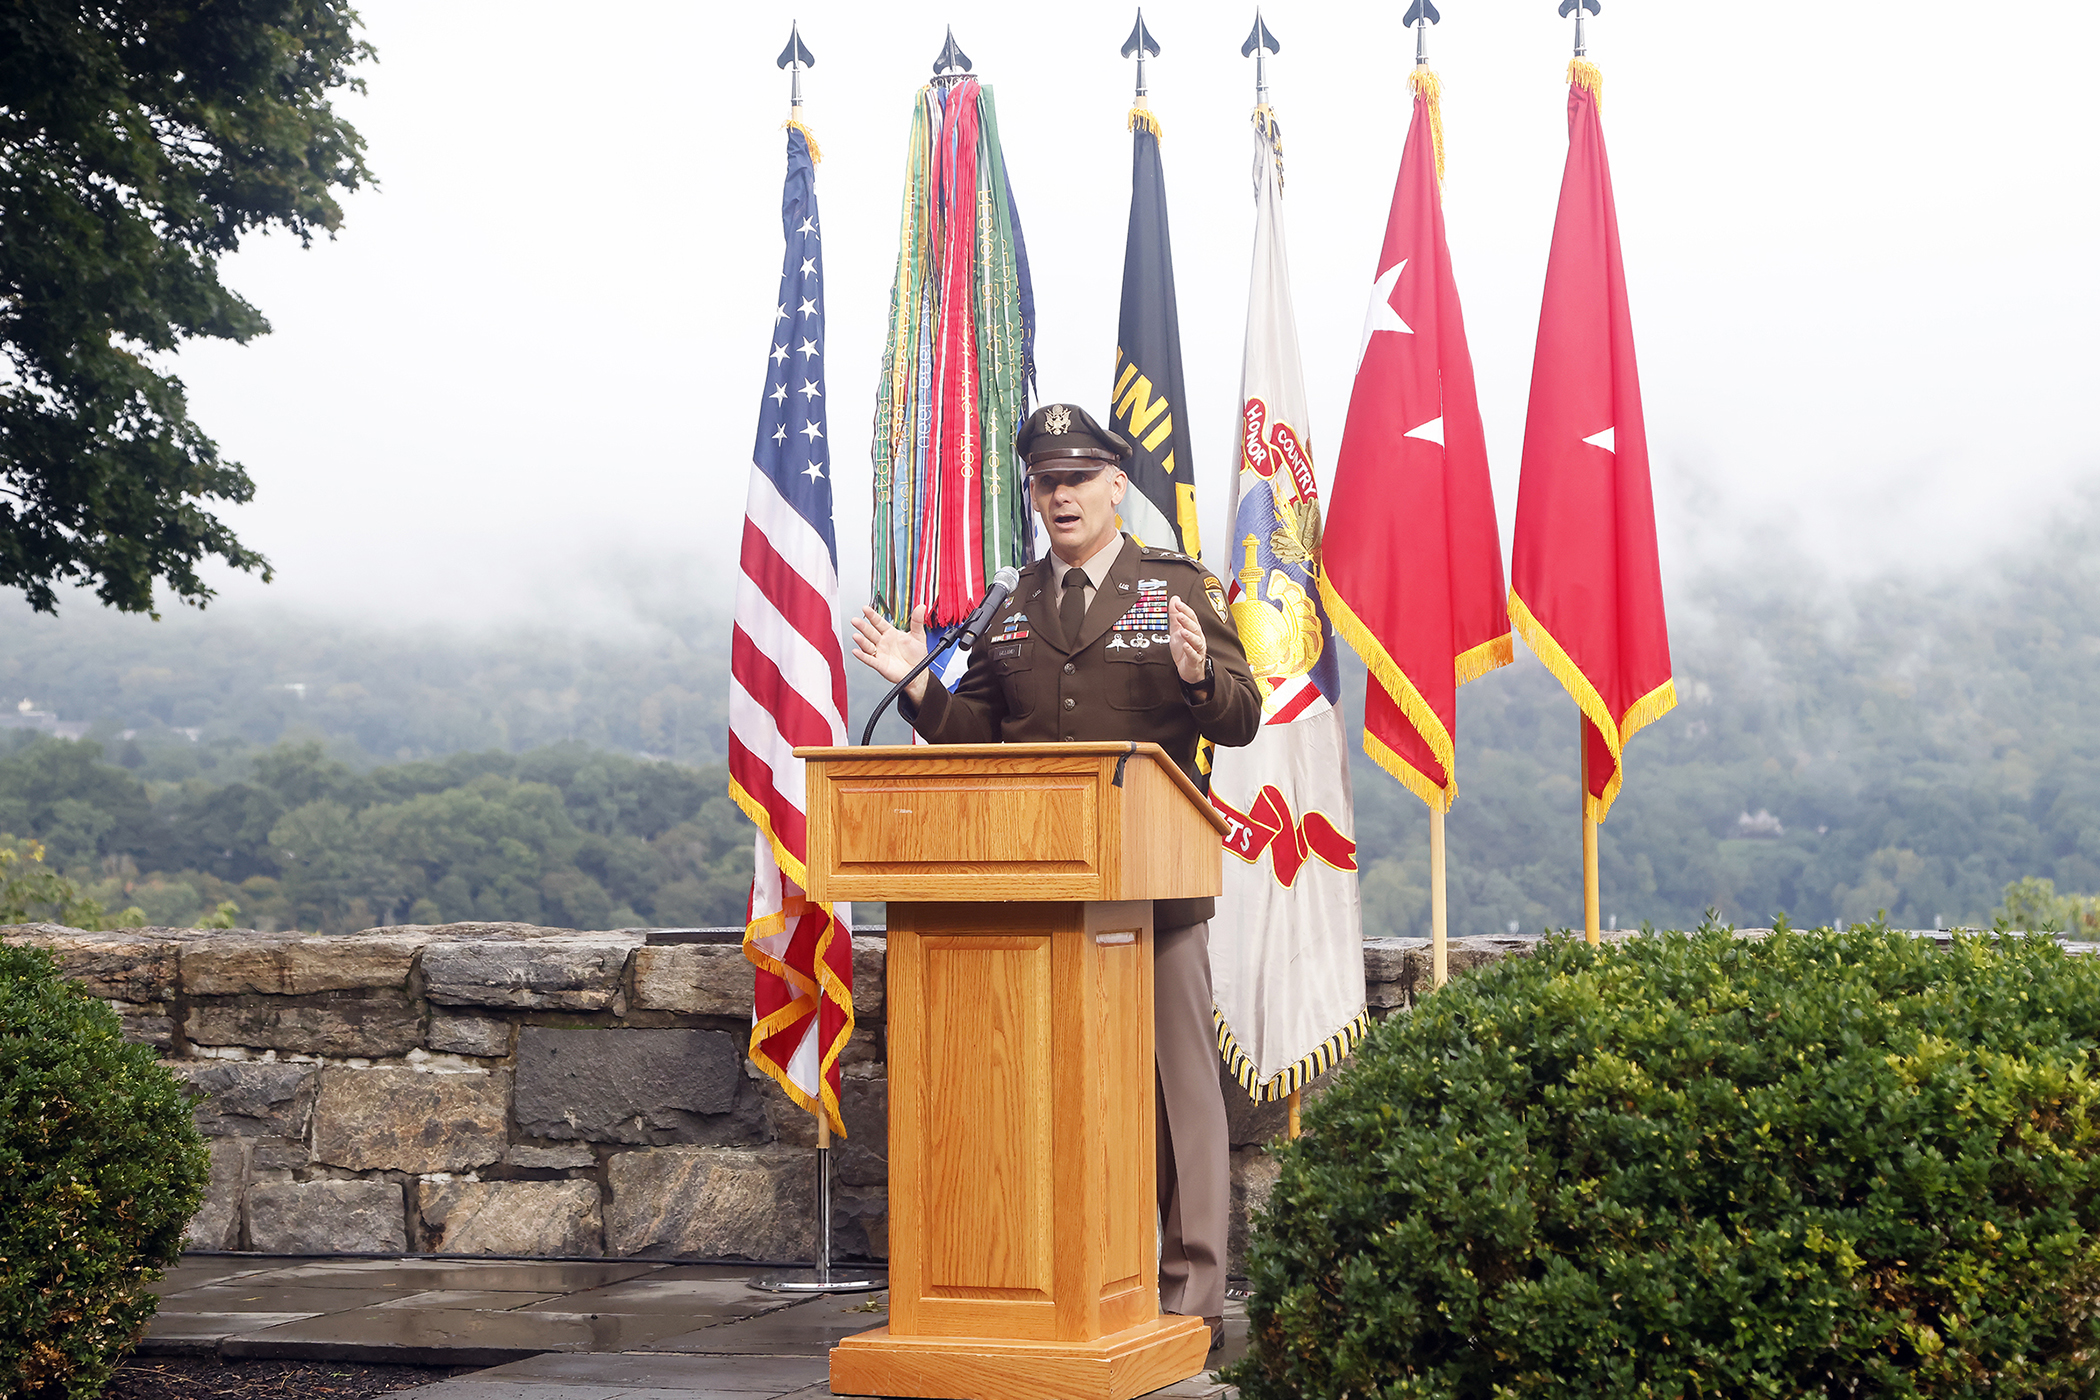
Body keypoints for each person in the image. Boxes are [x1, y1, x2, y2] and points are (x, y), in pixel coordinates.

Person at [851, 402, 1261, 1351]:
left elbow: (1238, 721)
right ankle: (1062, 1275)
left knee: (1177, 1090)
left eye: (1079, 478)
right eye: (1046, 481)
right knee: (1043, 1092)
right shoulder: (1009, 605)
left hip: (1153, 894)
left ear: (1119, 487)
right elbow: (975, 741)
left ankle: (1191, 1295)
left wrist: (1201, 678)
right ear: (1032, 494)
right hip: (1031, 897)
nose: (1061, 495)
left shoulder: (1178, 588)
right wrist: (919, 682)